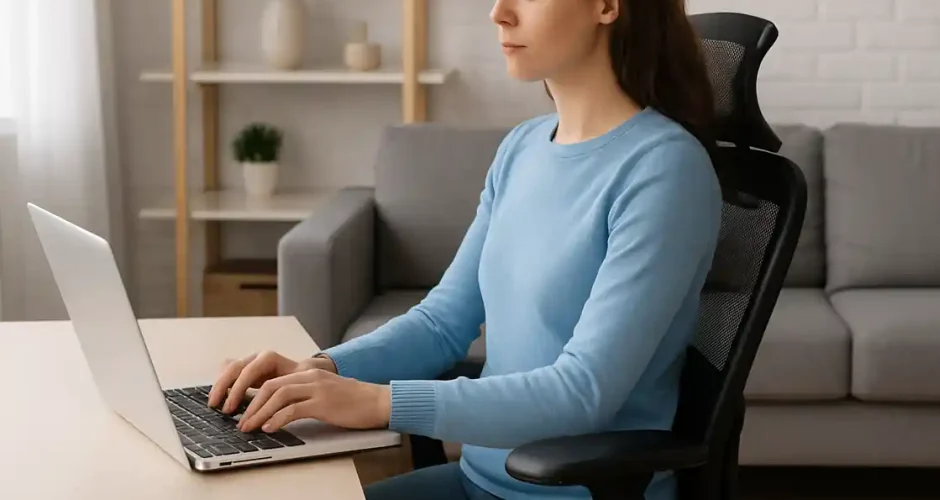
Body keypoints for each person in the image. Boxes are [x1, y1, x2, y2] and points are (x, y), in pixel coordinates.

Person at [205, 0, 722, 498]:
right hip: (475, 482)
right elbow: (442, 322)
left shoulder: (664, 170)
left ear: (607, 6)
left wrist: (379, 403)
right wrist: (321, 370)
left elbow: (582, 391)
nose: (499, 12)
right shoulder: (522, 147)